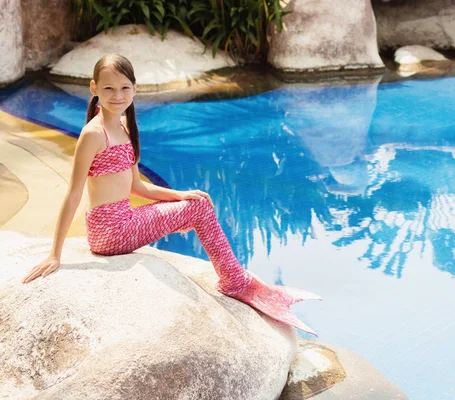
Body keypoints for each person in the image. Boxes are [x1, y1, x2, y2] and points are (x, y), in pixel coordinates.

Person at [21, 54, 320, 335]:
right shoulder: (93, 134)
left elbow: (139, 187)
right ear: (94, 88)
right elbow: (73, 193)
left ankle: (234, 276)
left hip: (123, 222)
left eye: (125, 88)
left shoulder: (124, 129)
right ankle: (234, 280)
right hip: (109, 232)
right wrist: (54, 254)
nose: (117, 95)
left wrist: (181, 195)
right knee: (199, 210)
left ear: (135, 89)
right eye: (109, 88)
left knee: (196, 203)